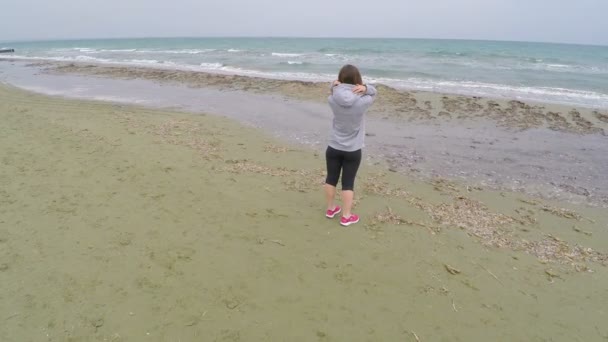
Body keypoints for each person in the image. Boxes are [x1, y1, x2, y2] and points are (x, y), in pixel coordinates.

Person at [324, 64, 377, 227]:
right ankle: (346, 216)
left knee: (331, 179)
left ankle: (331, 208)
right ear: (357, 81)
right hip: (352, 149)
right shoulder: (363, 102)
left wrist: (333, 86)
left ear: (340, 80)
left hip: (333, 146)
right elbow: (374, 92)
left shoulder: (332, 99)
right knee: (348, 183)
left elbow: (331, 91)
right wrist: (366, 88)